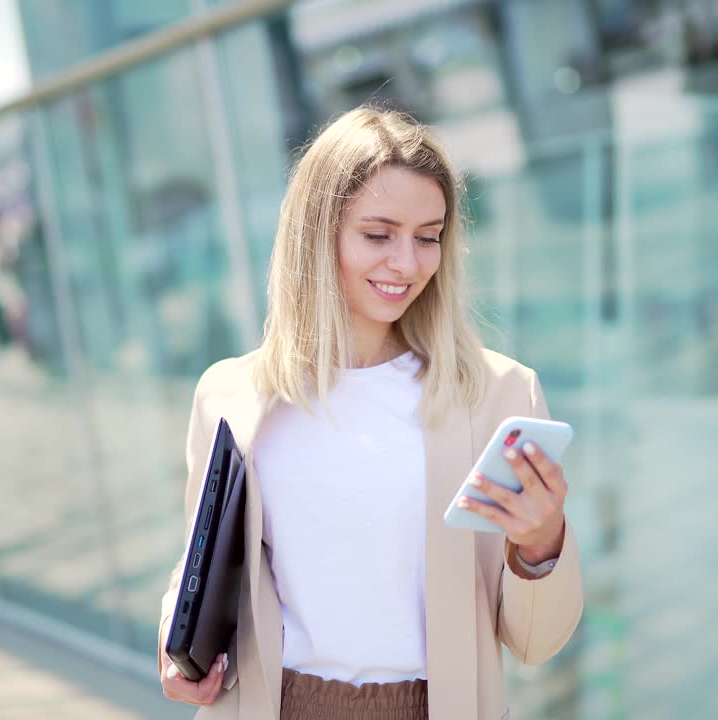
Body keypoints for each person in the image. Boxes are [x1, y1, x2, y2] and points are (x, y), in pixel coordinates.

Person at [157, 107, 584, 719]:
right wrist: (175, 649)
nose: (407, 264)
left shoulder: (498, 394)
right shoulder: (230, 395)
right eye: (378, 235)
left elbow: (536, 642)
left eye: (428, 236)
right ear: (317, 232)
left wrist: (541, 544)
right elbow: (201, 562)